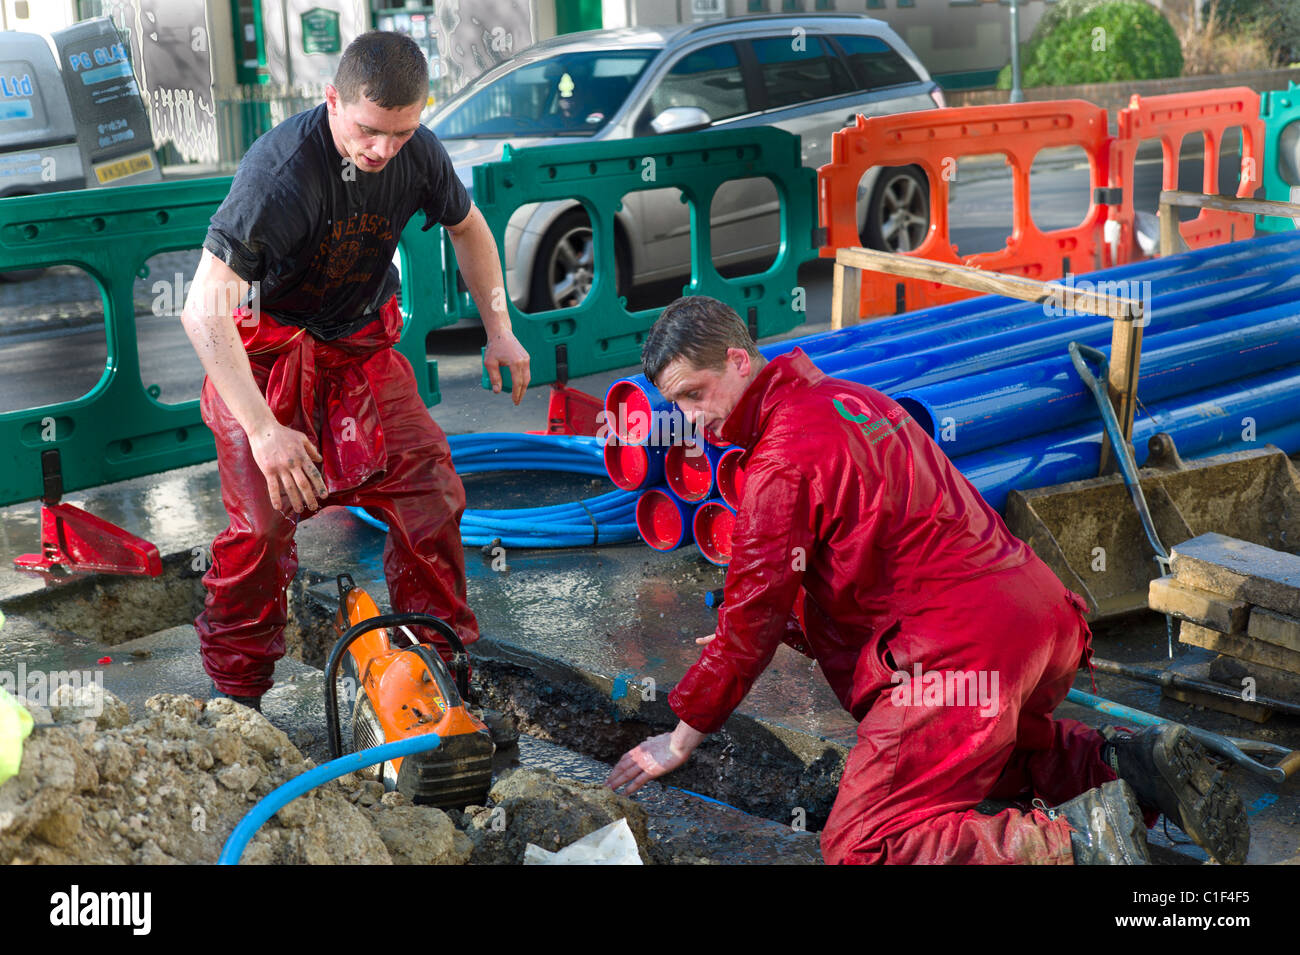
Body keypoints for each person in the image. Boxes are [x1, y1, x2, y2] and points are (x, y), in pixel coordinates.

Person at [606, 295, 1249, 865]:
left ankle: (1077, 843)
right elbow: (873, 549)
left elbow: (754, 610)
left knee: (862, 844)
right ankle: (1126, 767)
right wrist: (766, 632)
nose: (690, 418)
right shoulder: (856, 401)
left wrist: (682, 735)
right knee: (982, 752)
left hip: (958, 649)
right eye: (677, 404)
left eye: (696, 392)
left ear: (740, 361)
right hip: (1041, 621)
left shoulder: (780, 458)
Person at [181, 32, 530, 710]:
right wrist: (262, 430)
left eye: (401, 134)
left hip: (357, 349)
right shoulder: (281, 174)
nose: (383, 151)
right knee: (259, 531)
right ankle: (237, 702)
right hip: (264, 358)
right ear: (332, 99)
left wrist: (500, 329)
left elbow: (471, 227)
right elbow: (202, 310)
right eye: (369, 132)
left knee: (429, 489)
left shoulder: (416, 151)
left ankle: (436, 664)